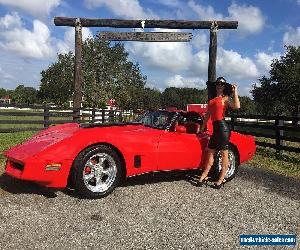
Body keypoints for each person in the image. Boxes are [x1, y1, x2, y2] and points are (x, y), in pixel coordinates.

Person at [197, 77, 240, 189]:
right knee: (210, 152)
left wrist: (235, 91)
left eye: (221, 83)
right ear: (215, 85)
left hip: (223, 128)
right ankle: (204, 175)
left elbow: (237, 106)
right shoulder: (211, 100)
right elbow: (207, 115)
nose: (219, 85)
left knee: (223, 153)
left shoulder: (225, 98)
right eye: (217, 83)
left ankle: (221, 179)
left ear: (224, 86)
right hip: (216, 129)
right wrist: (201, 128)